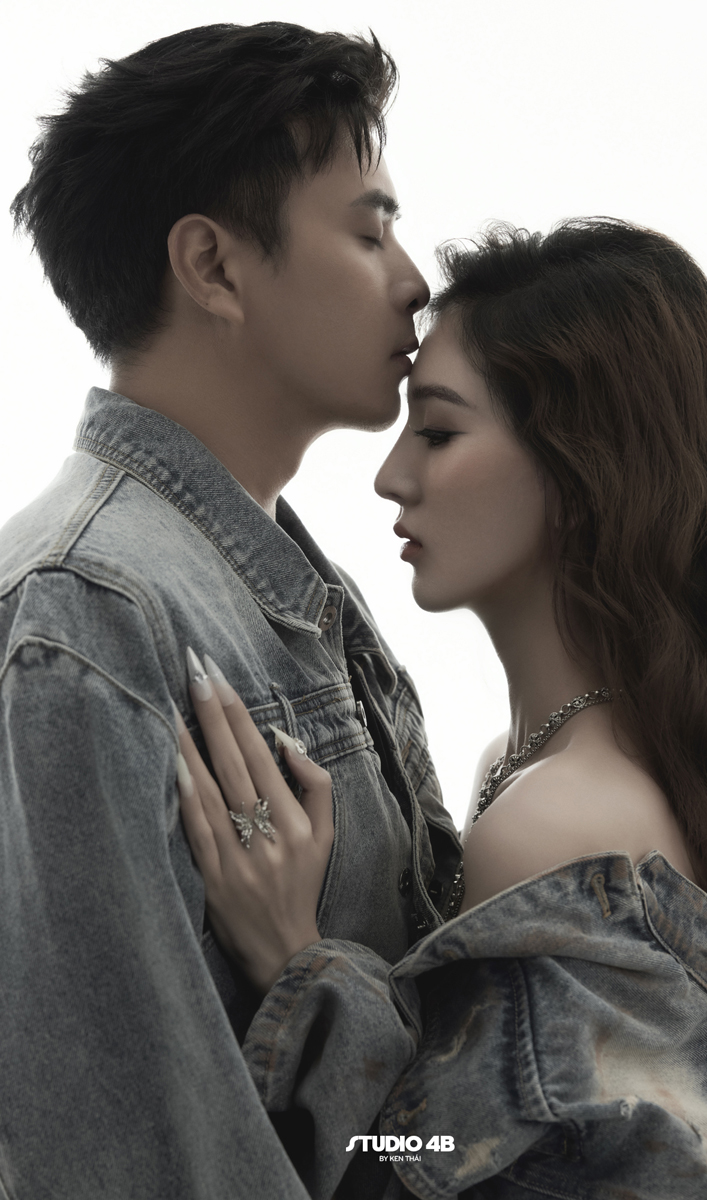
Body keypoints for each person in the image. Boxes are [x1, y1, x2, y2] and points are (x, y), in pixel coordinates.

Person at [177, 219, 707, 1199]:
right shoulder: (551, 766)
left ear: (580, 469)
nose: (391, 475)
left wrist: (296, 959)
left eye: (437, 431)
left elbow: (431, 1171)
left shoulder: (555, 819)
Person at [0, 21, 463, 1200]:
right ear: (211, 265)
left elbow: (430, 1141)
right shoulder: (89, 616)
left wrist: (306, 967)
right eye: (368, 229)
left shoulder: (293, 593)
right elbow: (135, 1161)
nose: (414, 280)